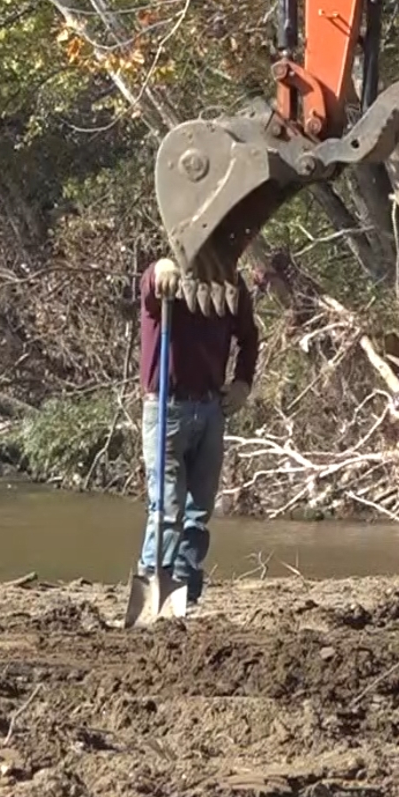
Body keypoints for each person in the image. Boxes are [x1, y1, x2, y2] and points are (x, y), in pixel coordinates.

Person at [134, 255, 259, 608]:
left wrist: (242, 383)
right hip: (166, 408)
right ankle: (150, 593)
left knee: (198, 512)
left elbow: (248, 336)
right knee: (166, 509)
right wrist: (160, 269)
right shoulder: (168, 279)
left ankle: (185, 595)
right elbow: (149, 290)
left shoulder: (228, 283)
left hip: (210, 407)